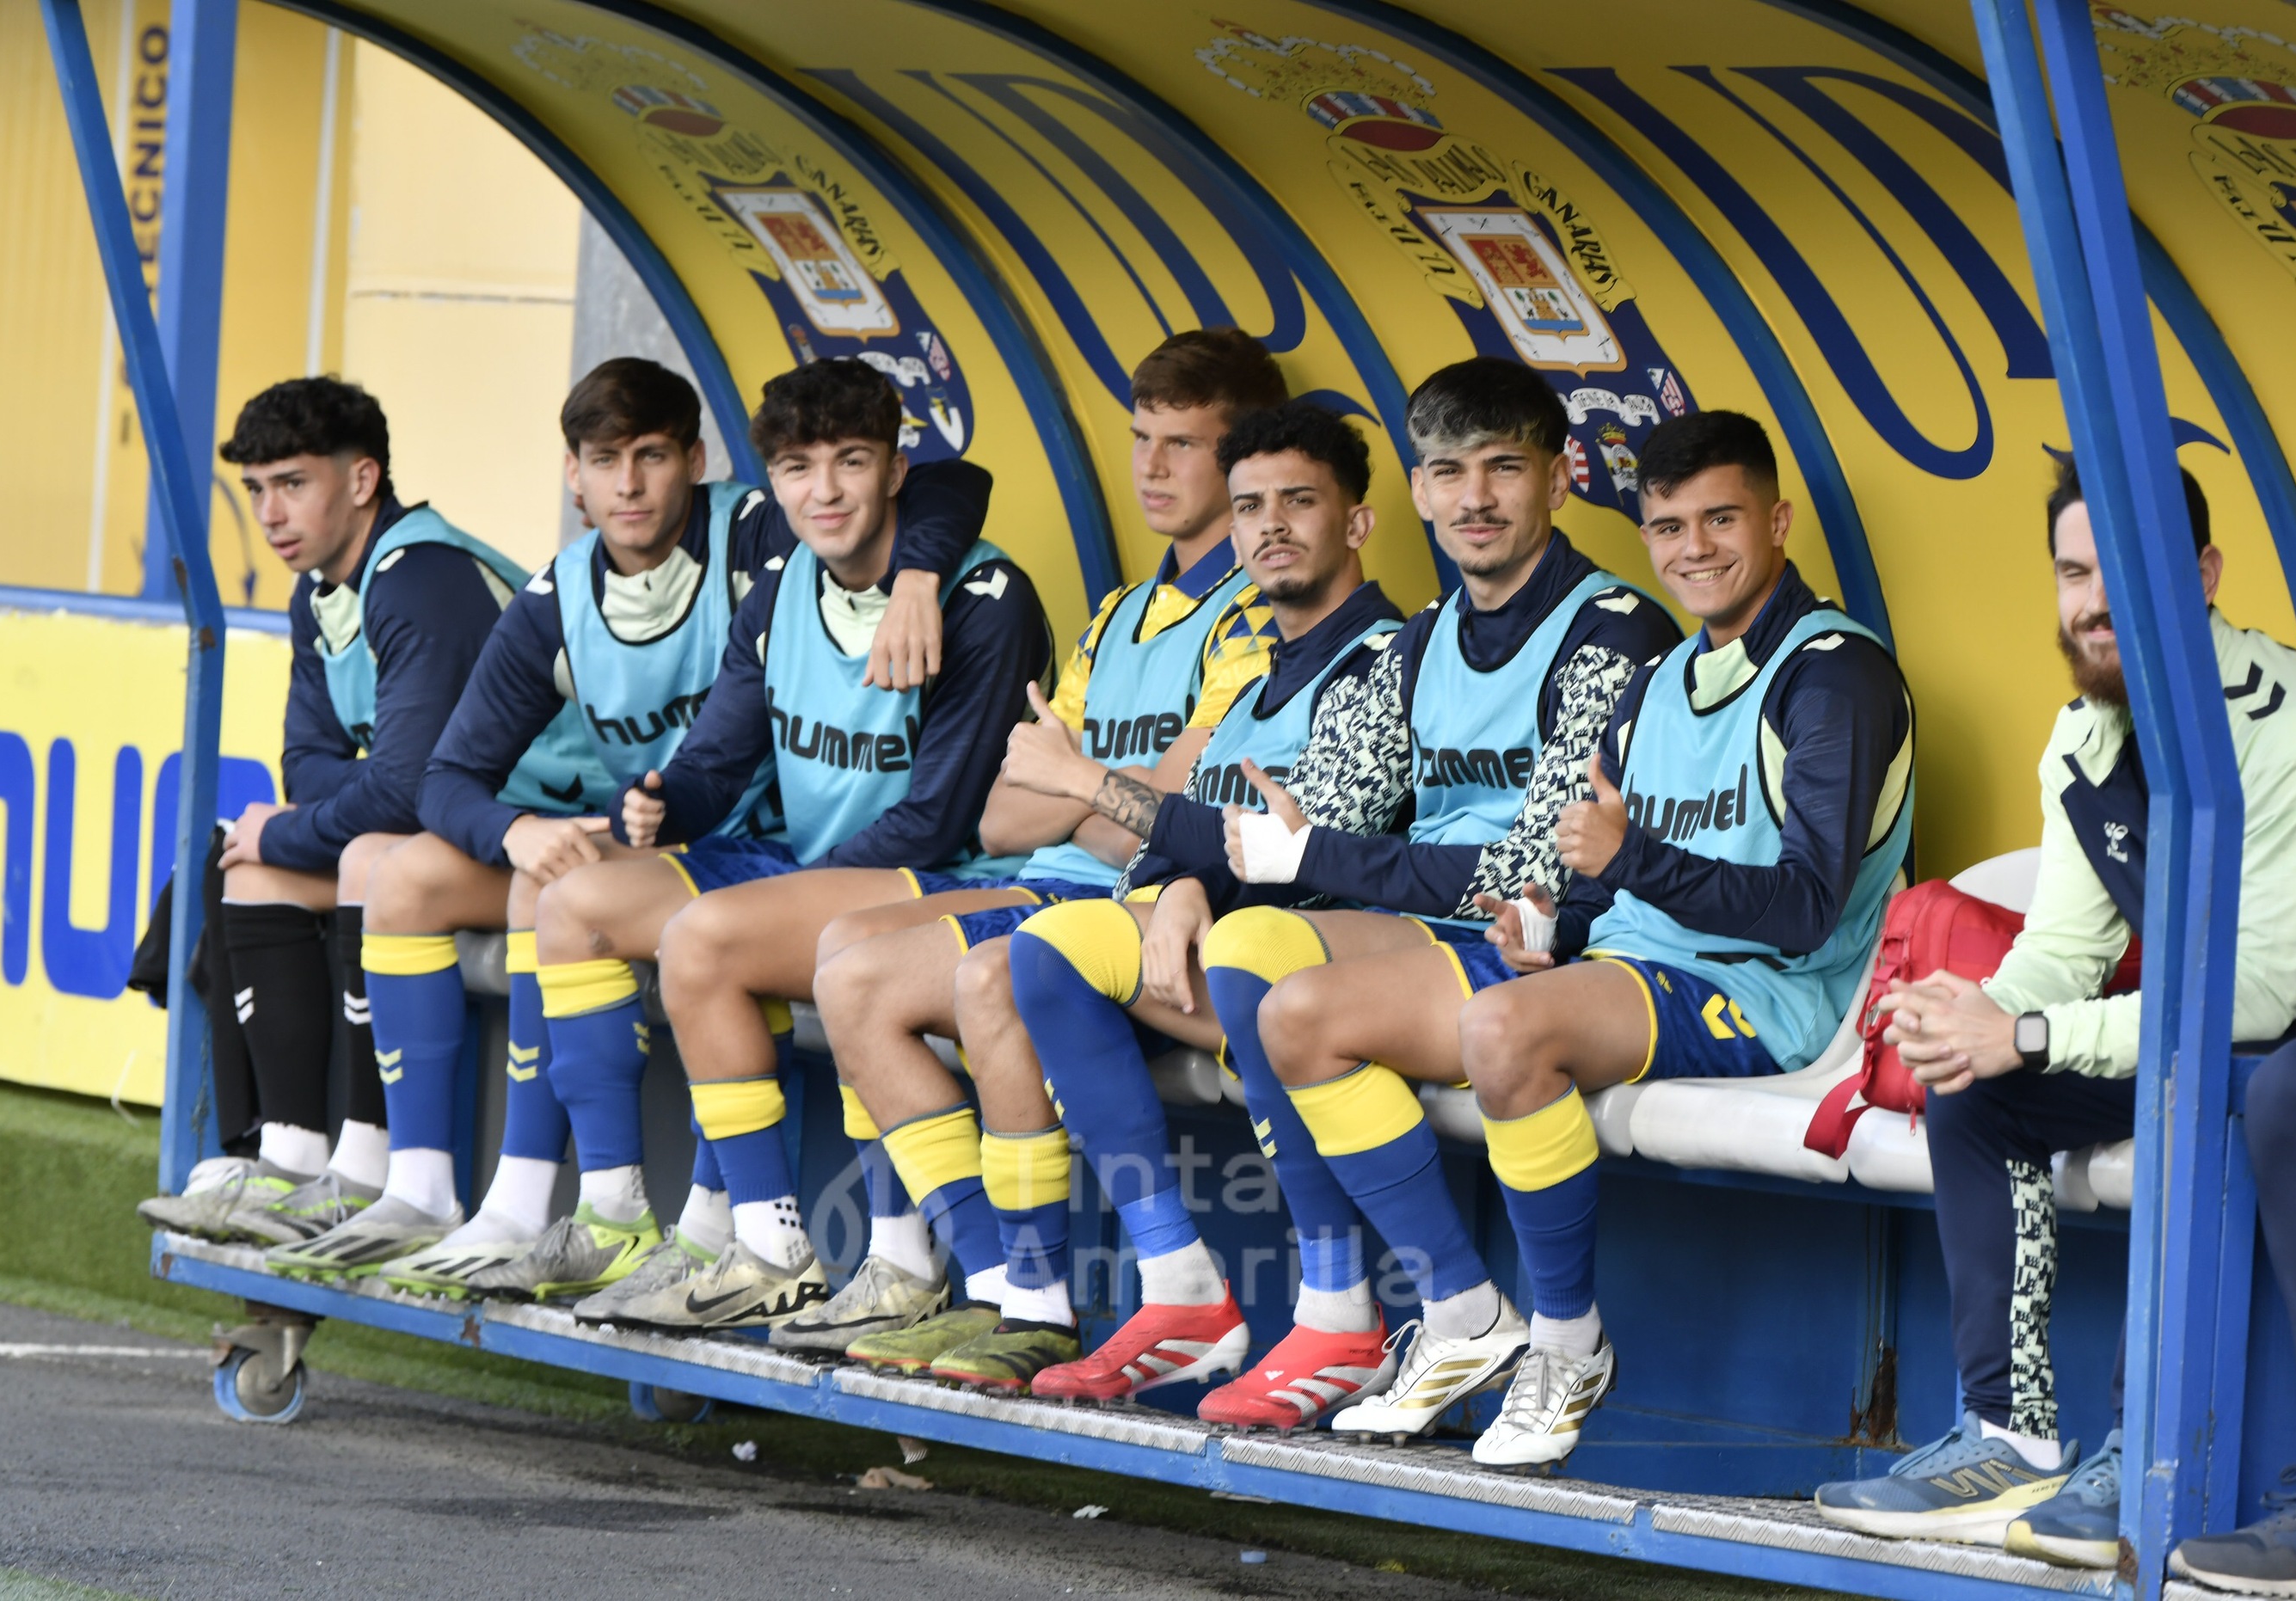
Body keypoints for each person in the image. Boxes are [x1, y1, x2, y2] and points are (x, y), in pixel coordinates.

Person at [566, 330, 1281, 1340]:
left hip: (1085, 902)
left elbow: (1149, 821)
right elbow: (1013, 806)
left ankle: (974, 1284)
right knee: (598, 903)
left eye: (1184, 444)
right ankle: (915, 1269)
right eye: (1140, 439)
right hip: (1033, 878)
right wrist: (661, 803)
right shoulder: (1119, 611)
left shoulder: (1247, 617)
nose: (1151, 467)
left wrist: (1085, 788)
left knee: (788, 944)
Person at [1034, 358, 1680, 1427]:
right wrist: (1189, 863)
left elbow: (1524, 875)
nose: (1474, 497)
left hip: (1545, 951)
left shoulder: (1611, 629)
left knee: (1268, 954)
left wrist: (1295, 855)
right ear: (1419, 490)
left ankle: (1410, 1311)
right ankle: (1441, 1305)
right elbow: (1304, 827)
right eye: (1448, 471)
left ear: (1559, 477)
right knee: (1191, 944)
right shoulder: (1422, 641)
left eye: (1502, 468)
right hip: (1420, 936)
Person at [261, 358, 984, 1288]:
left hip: (795, 848)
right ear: (574, 475)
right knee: (429, 874)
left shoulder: (758, 527)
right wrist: (512, 831)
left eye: (651, 456)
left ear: (696, 460)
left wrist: (919, 577)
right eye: (605, 460)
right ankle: (466, 1193)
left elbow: (948, 482)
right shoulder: (559, 595)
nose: (630, 485)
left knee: (611, 905)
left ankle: (703, 1219)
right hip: (677, 838)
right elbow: (444, 779)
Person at [1814, 459, 2296, 1584]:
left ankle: (2166, 1455)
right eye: (2072, 572)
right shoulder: (2084, 735)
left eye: (2129, 568)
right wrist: (1978, 1015)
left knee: (2249, 1081)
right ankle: (2008, 1439)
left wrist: (2033, 1032)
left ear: (2202, 574)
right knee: (1979, 1085)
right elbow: (2065, 952)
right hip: (2223, 1039)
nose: (2093, 602)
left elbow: (2257, 991)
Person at [811, 400, 1399, 1392]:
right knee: (937, 960)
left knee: (1016, 967)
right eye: (1252, 505)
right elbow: (1019, 818)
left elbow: (1279, 843)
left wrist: (1100, 800)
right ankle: (1065, 1287)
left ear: (1358, 520)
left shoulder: (1370, 650)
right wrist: (1172, 868)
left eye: (1297, 501)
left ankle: (1348, 1308)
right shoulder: (1258, 654)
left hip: (1322, 948)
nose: (1269, 525)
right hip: (1202, 924)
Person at [482, 355, 1051, 1323]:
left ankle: (777, 1246)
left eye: (851, 461)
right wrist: (663, 802)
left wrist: (780, 900)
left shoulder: (982, 596)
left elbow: (940, 818)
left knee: (714, 934)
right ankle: (624, 1216)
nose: (823, 491)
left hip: (958, 877)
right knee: (575, 902)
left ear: (895, 470)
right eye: (796, 468)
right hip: (825, 867)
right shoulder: (784, 579)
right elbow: (716, 762)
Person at [1433, 410, 1912, 1468]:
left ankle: (1565, 1341)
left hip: (1773, 994)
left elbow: (1805, 911)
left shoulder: (1832, 673)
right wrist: (1554, 924)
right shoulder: (1657, 681)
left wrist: (1631, 860)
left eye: (1719, 519)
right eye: (1666, 527)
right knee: (1307, 1010)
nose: (1693, 548)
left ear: (1776, 521)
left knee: (1502, 1031)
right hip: (1639, 967)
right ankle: (1446, 1309)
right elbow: (1616, 880)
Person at [137, 377, 571, 1249]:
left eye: (293, 483)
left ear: (363, 479)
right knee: (250, 865)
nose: (270, 513)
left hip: (546, 831)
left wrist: (318, 811)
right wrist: (302, 819)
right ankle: (290, 1160)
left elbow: (407, 791)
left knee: (366, 857)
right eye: (257, 489)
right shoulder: (320, 592)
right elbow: (307, 766)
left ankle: (366, 1169)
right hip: (454, 834)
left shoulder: (424, 578)